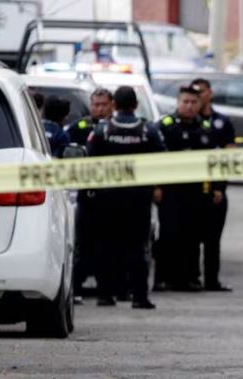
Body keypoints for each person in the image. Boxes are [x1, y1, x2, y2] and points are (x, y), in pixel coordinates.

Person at [86, 86, 166, 309]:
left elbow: (89, 160)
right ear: (136, 105)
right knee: (138, 247)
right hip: (139, 198)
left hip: (107, 198)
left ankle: (105, 295)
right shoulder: (148, 130)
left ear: (114, 105)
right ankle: (139, 297)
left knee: (106, 245)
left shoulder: (102, 130)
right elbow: (163, 159)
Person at [153, 84, 223, 292]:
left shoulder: (205, 128)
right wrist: (156, 186)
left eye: (194, 102)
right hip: (170, 191)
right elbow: (153, 159)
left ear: (199, 104)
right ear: (178, 103)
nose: (190, 106)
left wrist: (217, 187)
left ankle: (189, 278)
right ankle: (162, 279)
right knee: (168, 235)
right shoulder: (164, 126)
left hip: (197, 192)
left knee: (192, 236)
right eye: (186, 102)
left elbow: (214, 160)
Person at [67, 87, 115, 304]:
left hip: (112, 197)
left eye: (104, 104)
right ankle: (74, 289)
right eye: (96, 104)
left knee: (109, 246)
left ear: (112, 105)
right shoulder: (79, 128)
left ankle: (110, 291)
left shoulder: (118, 129)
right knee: (81, 245)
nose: (100, 109)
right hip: (84, 196)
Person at [190, 77, 235, 291]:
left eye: (202, 91)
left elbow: (229, 154)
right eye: (195, 92)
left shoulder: (222, 122)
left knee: (213, 238)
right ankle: (191, 277)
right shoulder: (187, 121)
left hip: (216, 188)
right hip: (191, 189)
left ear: (210, 93)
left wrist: (220, 186)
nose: (199, 96)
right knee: (190, 237)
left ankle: (212, 280)